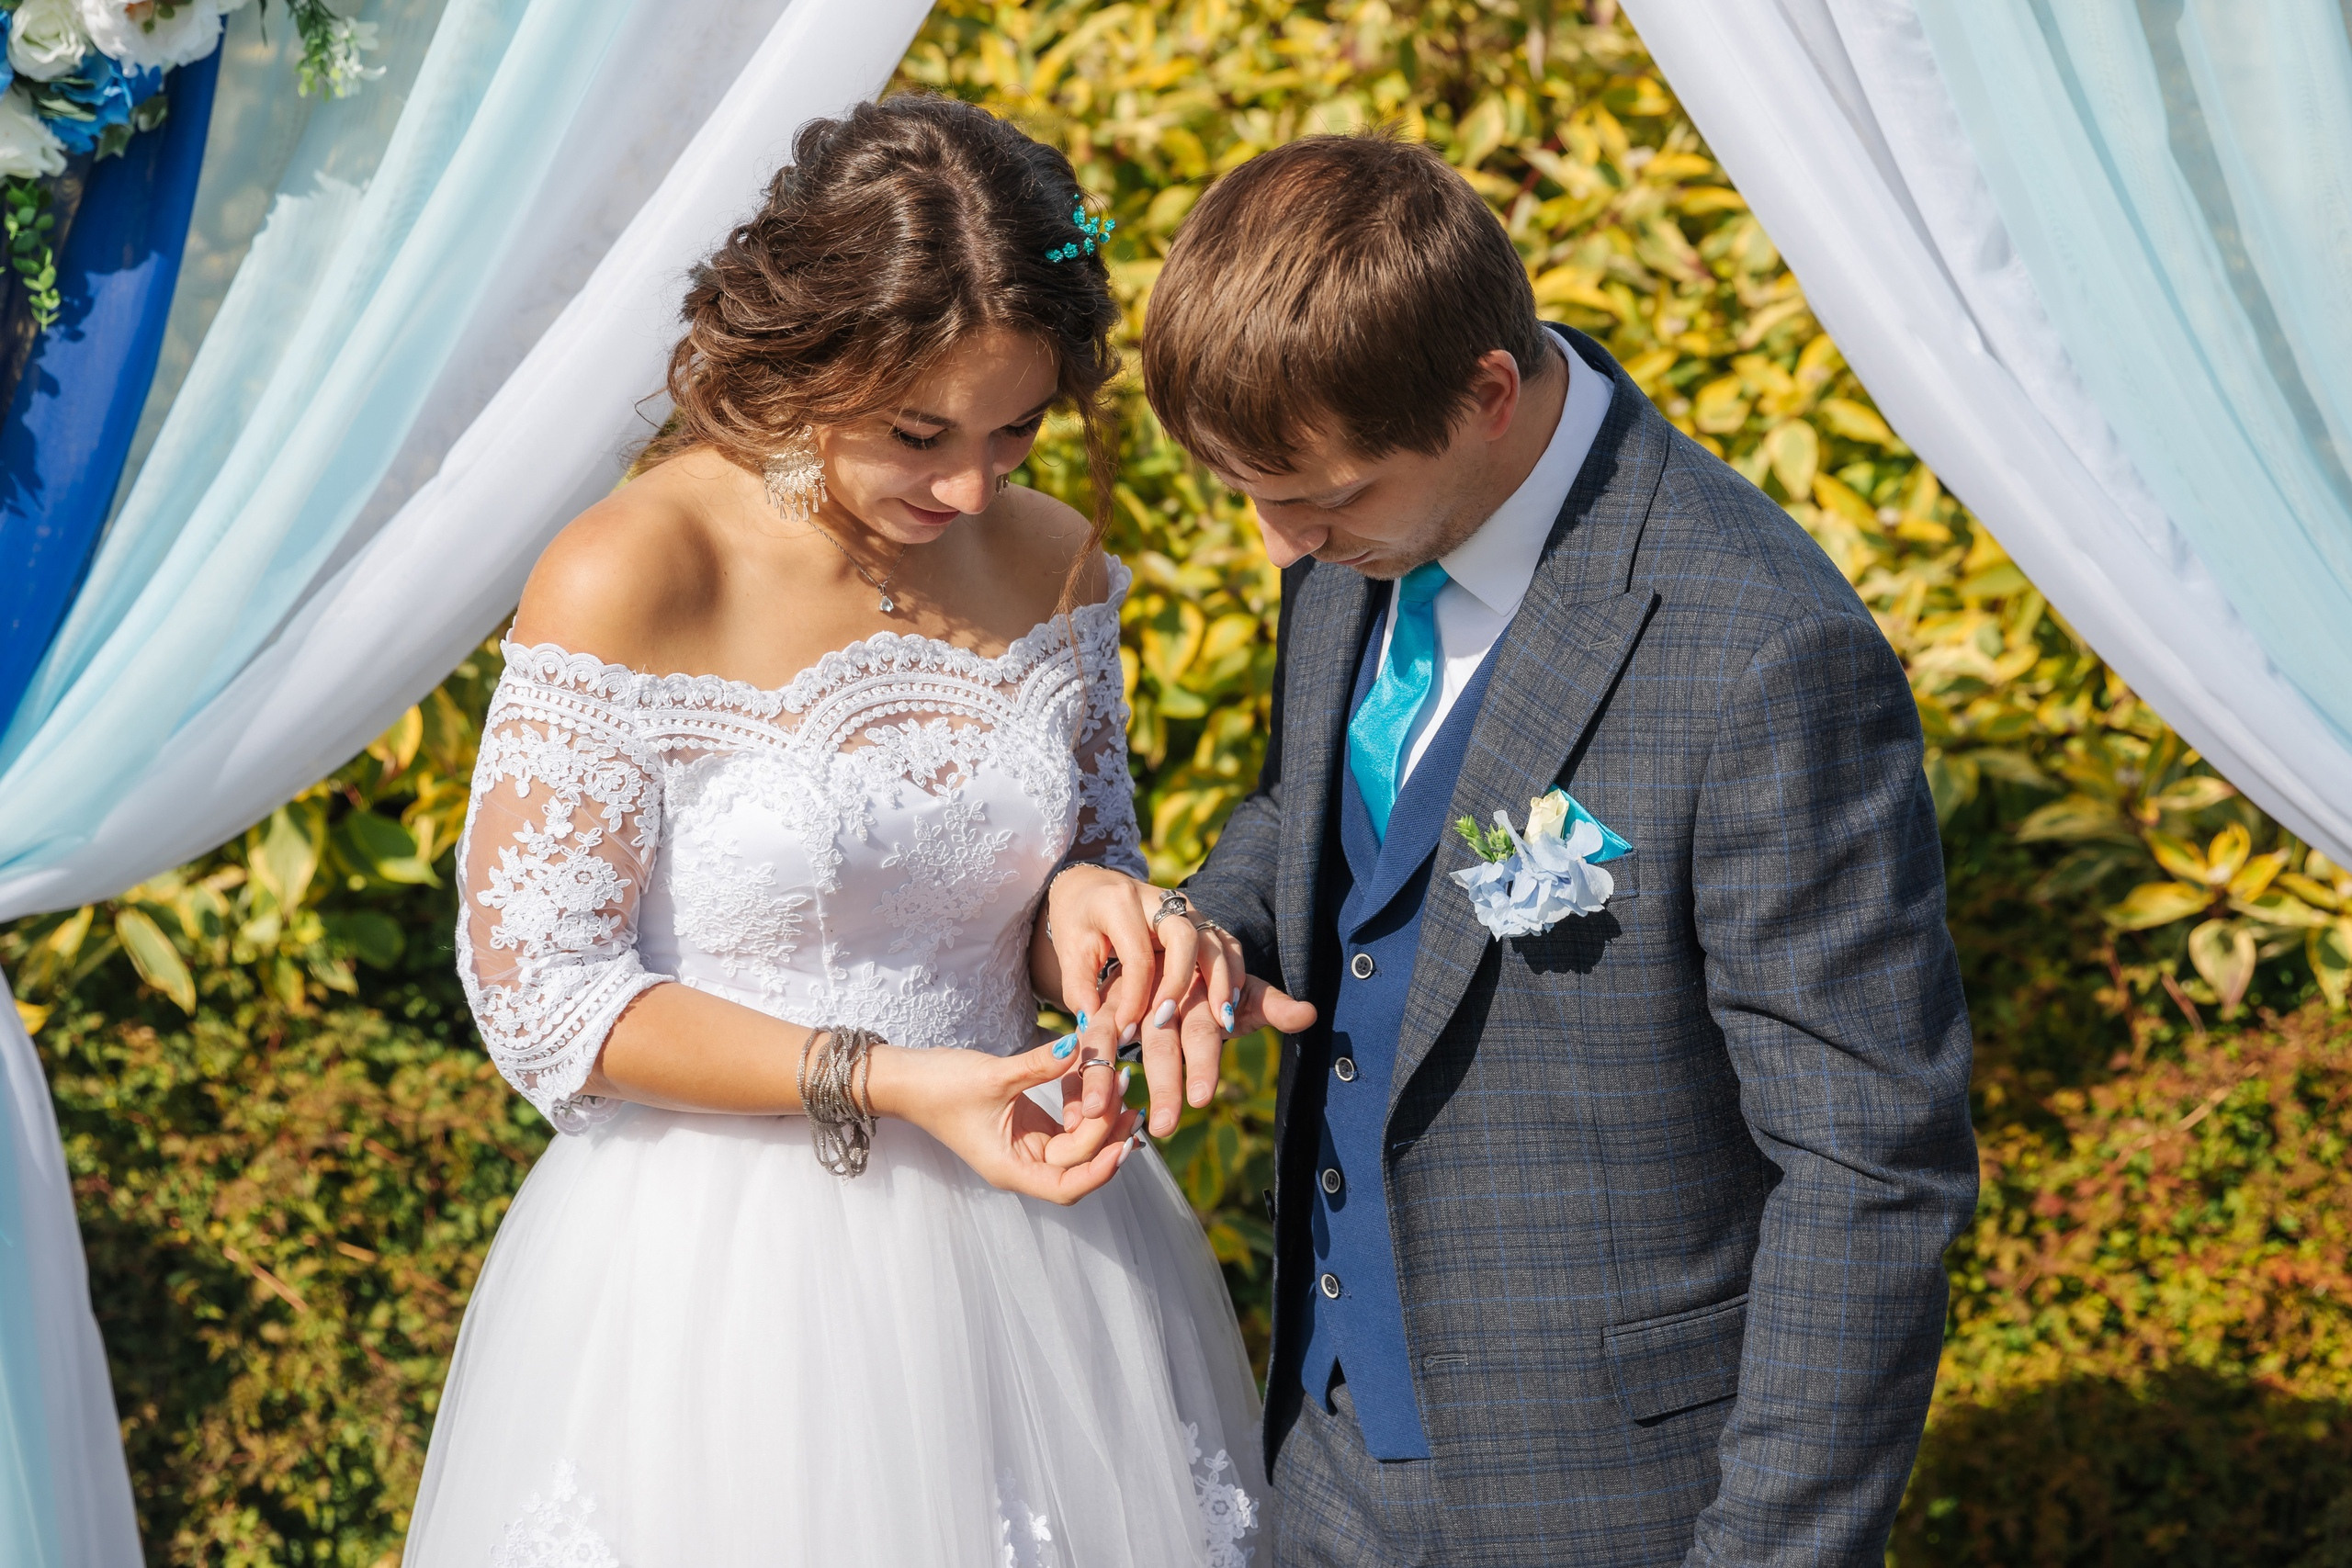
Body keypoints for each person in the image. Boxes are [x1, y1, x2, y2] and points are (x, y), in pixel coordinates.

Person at [1044, 133, 1979, 1566]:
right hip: (1327, 1453)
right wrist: (1215, 927)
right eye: (1254, 495)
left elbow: (1871, 1171)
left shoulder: (1762, 649)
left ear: (1487, 394)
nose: (1281, 542)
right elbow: (1322, 814)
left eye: (1323, 498)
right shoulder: (1356, 525)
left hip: (1609, 1501)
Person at [402, 96, 1267, 1568]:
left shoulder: (1054, 557)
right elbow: (543, 995)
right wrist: (890, 1082)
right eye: (918, 433)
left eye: (1016, 430)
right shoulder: (635, 568)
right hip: (724, 1282)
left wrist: (1095, 912)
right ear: (807, 356)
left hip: (1042, 1251)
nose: (970, 486)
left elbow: (1079, 864)